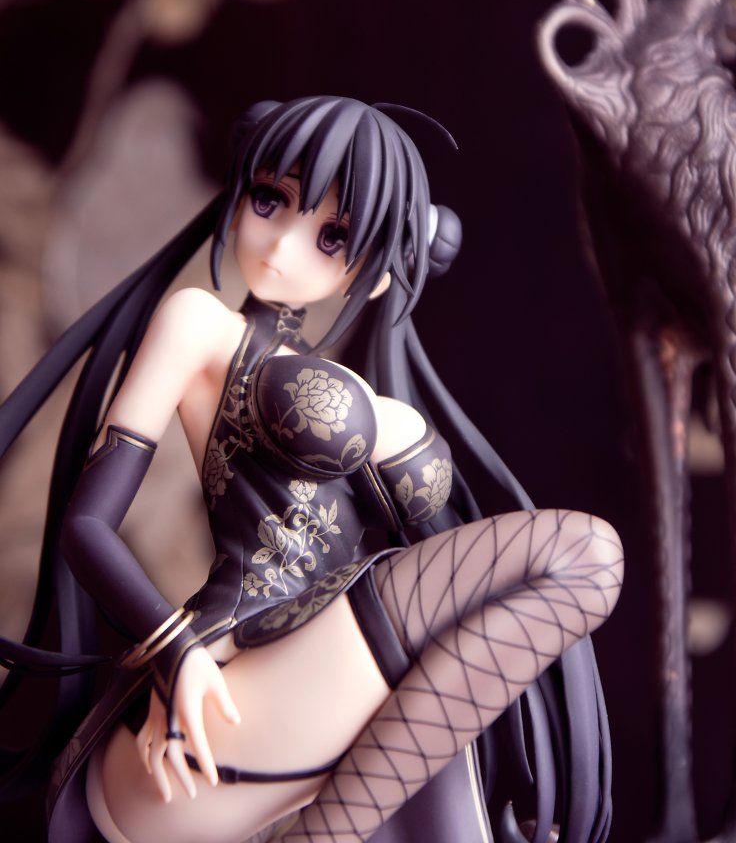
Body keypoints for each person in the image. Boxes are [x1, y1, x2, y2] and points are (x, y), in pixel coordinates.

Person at [0, 95, 622, 843]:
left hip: (336, 700)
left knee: (559, 575)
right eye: (270, 199)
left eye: (333, 236)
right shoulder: (201, 325)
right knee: (586, 554)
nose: (283, 243)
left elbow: (463, 614)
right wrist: (174, 652)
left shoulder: (365, 391)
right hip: (232, 681)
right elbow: (87, 525)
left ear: (381, 274)